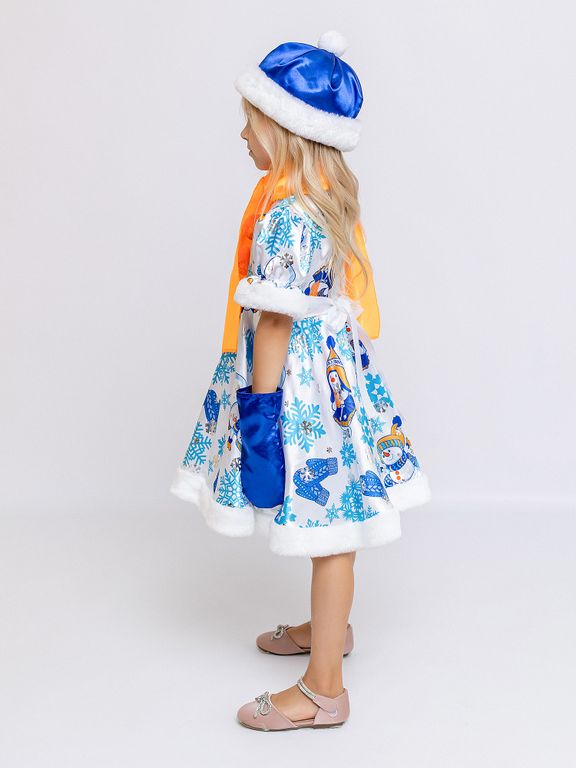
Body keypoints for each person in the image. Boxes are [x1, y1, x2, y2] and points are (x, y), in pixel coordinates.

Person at [170, 30, 431, 731]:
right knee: (333, 519)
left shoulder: (285, 213)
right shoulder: (319, 195)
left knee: (329, 530)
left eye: (251, 123)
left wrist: (260, 413)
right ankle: (329, 632)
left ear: (286, 131)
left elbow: (275, 323)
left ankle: (323, 692)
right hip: (334, 380)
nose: (242, 136)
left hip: (300, 390)